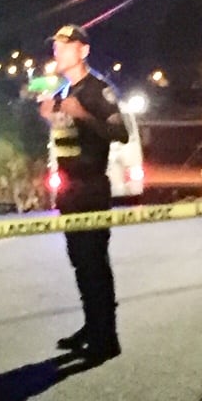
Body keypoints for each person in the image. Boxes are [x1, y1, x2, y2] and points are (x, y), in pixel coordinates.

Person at [39, 24, 128, 363]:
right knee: (80, 264)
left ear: (83, 50)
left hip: (91, 188)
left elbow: (119, 132)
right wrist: (52, 116)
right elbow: (66, 141)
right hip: (69, 191)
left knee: (94, 265)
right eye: (55, 46)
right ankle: (92, 327)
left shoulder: (97, 90)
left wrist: (84, 115)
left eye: (64, 46)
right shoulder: (63, 93)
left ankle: (107, 338)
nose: (57, 52)